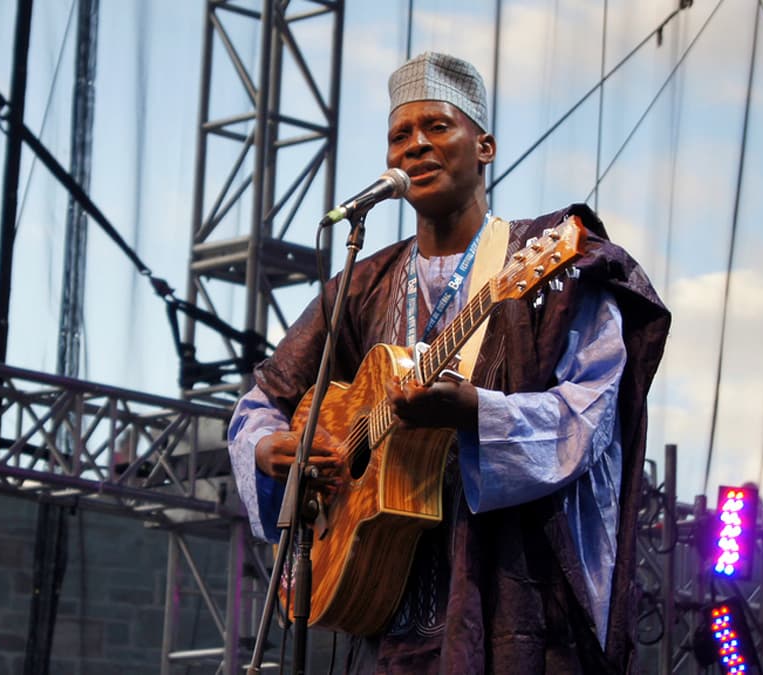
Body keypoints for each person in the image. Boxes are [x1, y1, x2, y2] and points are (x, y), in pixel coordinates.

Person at [227, 51, 671, 673]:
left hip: (512, 607)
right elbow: (264, 400)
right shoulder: (361, 282)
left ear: (484, 146)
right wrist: (269, 448)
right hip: (381, 611)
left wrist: (477, 413)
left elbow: (589, 415)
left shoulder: (549, 263)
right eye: (399, 135)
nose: (415, 146)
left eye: (438, 127)